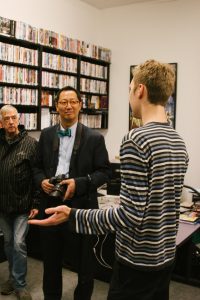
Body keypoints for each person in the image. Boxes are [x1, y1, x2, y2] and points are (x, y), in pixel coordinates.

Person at [29, 59, 189, 300]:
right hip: (164, 258)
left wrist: (72, 215)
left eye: (129, 88)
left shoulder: (136, 140)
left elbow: (130, 215)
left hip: (135, 261)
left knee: (85, 269)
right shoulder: (178, 140)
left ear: (140, 90)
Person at [32, 86, 111, 300]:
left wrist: (79, 183)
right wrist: (42, 182)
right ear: (56, 106)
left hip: (81, 208)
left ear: (80, 105)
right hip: (50, 205)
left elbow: (104, 172)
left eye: (72, 102)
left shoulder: (94, 138)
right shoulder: (47, 135)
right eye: (63, 102)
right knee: (50, 264)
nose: (68, 106)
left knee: (85, 266)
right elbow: (36, 167)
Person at [0, 105, 38, 300]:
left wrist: (36, 203)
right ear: (1, 122)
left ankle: (20, 285)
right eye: (6, 119)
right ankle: (13, 278)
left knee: (18, 243)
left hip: (23, 205)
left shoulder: (30, 143)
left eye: (14, 118)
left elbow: (37, 175)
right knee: (7, 243)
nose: (11, 122)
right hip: (3, 206)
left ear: (19, 119)